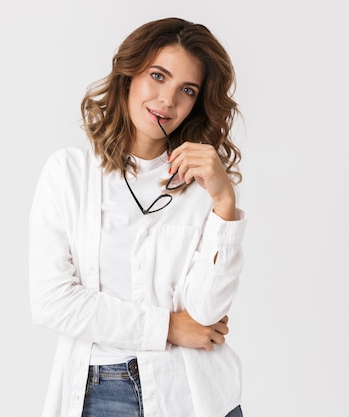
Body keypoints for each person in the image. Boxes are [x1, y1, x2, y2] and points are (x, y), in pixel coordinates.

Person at [29, 17, 247, 417]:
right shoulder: (70, 175)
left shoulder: (202, 186)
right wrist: (166, 327)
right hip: (102, 393)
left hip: (195, 395)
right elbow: (52, 301)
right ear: (128, 75)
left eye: (186, 90)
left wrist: (224, 204)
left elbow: (206, 317)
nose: (167, 101)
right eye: (158, 76)